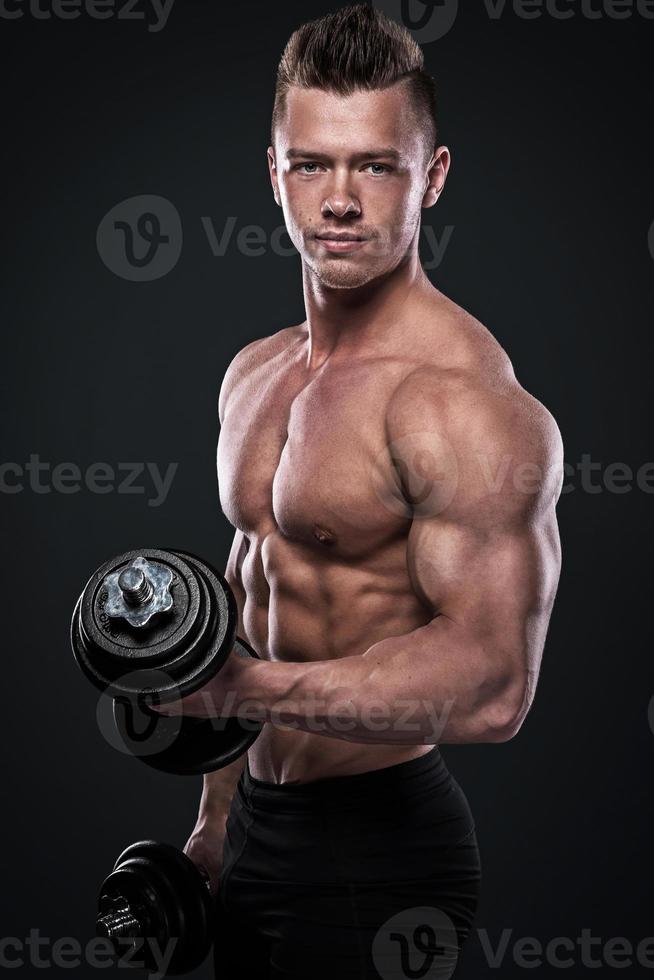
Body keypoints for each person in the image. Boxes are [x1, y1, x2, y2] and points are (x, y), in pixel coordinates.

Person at [164, 5, 563, 977]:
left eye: (375, 165)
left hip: (380, 850)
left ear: (431, 174)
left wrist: (252, 690)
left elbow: (494, 680)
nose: (340, 198)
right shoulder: (254, 372)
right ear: (275, 174)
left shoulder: (460, 399)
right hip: (257, 824)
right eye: (313, 163)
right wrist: (215, 816)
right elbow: (251, 593)